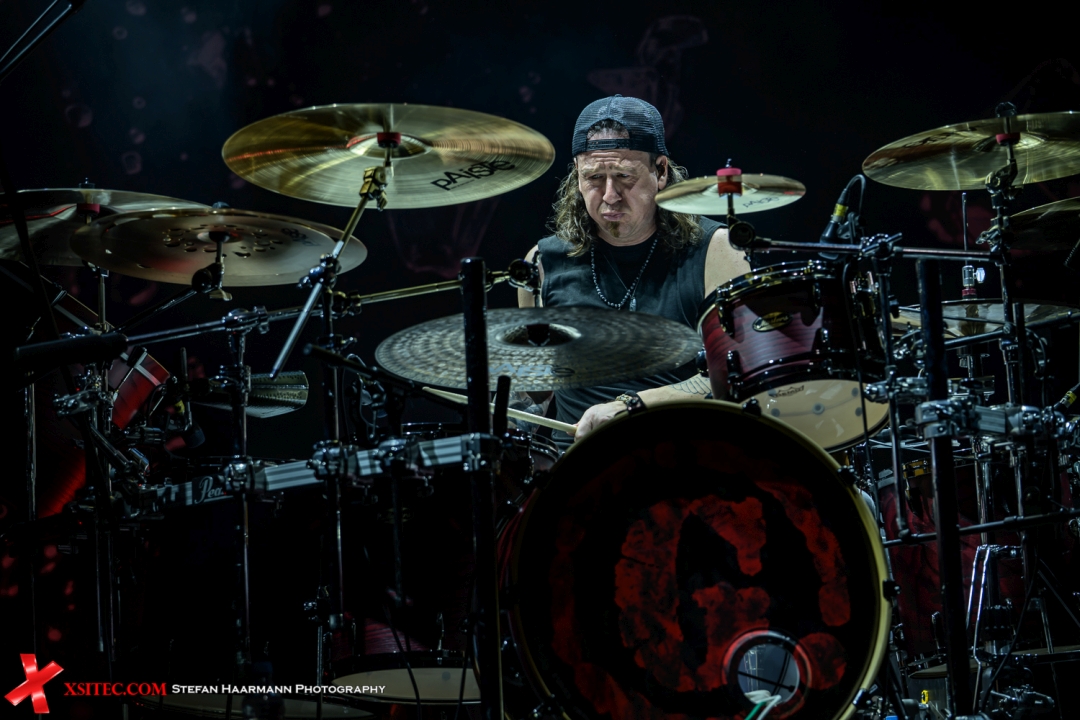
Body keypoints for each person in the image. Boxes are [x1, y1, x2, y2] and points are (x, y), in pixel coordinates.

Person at [518, 95, 750, 447]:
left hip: (686, 458)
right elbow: (536, 390)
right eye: (594, 178)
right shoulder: (541, 263)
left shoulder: (717, 251)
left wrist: (630, 407)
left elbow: (738, 374)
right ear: (577, 177)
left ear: (661, 171)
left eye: (624, 176)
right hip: (577, 467)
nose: (610, 195)